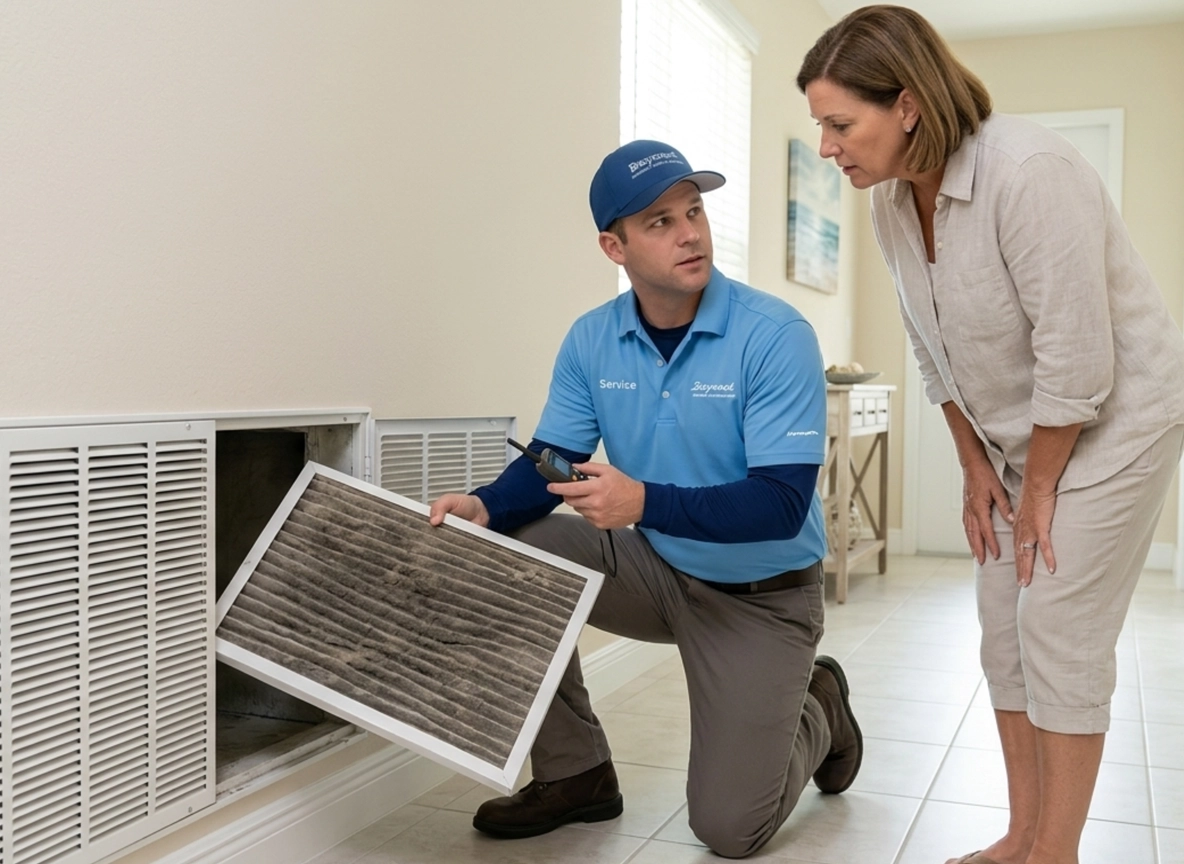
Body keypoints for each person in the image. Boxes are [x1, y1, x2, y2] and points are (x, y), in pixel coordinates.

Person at [797, 7, 1184, 864]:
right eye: (820, 126)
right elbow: (932, 349)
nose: (827, 147)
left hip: (1117, 426)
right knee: (1002, 625)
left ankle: (1056, 853)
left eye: (840, 124)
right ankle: (1023, 835)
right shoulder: (890, 203)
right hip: (1019, 437)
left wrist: (1038, 487)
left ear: (906, 105)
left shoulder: (1029, 173)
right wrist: (977, 466)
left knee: (1057, 624)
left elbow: (1077, 360)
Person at [428, 139, 863, 858]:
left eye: (693, 211)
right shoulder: (592, 340)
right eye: (660, 222)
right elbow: (550, 463)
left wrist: (643, 504)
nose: (690, 233)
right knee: (507, 550)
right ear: (615, 246)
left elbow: (781, 505)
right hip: (659, 573)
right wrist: (485, 507)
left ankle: (821, 705)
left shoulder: (774, 335)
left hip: (764, 596)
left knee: (729, 830)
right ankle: (577, 774)